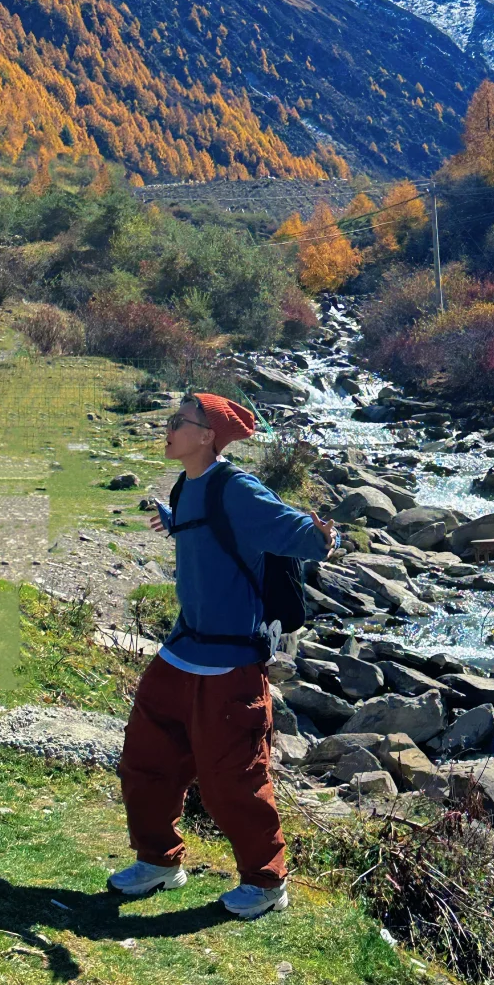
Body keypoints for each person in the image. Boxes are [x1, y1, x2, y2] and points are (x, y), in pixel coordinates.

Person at [108, 391, 336, 919]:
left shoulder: (237, 489)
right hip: (182, 650)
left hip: (231, 664)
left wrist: (325, 536)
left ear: (207, 434)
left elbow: (294, 530)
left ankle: (266, 882)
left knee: (232, 779)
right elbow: (203, 537)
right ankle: (159, 861)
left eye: (177, 421)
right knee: (146, 761)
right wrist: (173, 521)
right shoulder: (188, 484)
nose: (166, 428)